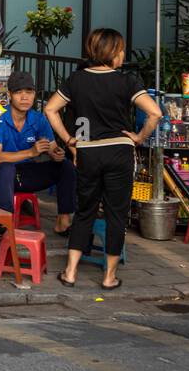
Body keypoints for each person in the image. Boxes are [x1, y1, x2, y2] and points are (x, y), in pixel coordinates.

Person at [44, 28, 161, 290]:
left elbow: (50, 109)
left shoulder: (76, 80)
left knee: (85, 210)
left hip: (89, 152)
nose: (122, 54)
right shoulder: (127, 81)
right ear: (111, 53)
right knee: (116, 215)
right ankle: (109, 277)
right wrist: (139, 137)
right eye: (120, 50)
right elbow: (155, 113)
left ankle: (70, 272)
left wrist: (69, 139)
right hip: (119, 151)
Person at [0, 70, 77, 236]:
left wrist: (56, 153)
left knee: (65, 166)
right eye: (18, 92)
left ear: (34, 95)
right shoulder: (0, 118)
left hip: (27, 174)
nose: (24, 97)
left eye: (29, 92)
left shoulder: (38, 119)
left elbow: (51, 147)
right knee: (6, 168)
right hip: (2, 178)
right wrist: (31, 152)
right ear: (10, 95)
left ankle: (63, 222)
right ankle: (5, 224)